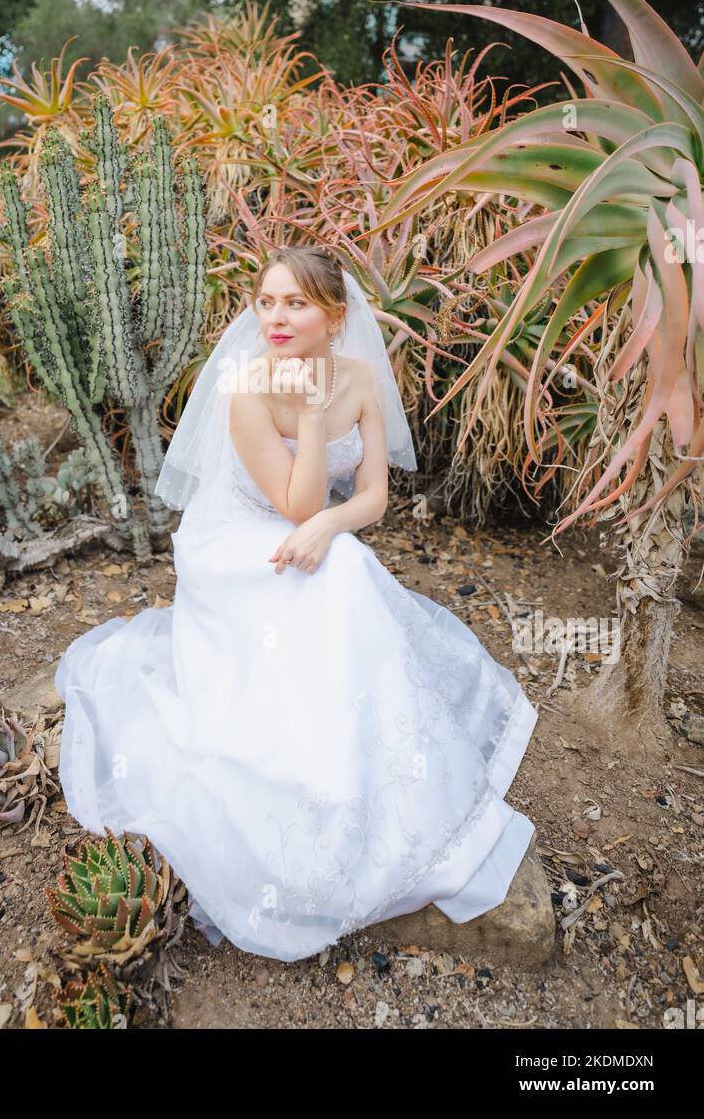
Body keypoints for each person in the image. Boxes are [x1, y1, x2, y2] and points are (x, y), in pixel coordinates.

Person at [54, 246, 538, 962]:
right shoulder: (245, 389)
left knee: (346, 565)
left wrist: (328, 525)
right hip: (237, 542)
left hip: (308, 532)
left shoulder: (366, 378)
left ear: (334, 317)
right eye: (267, 301)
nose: (275, 317)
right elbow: (294, 500)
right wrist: (312, 422)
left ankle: (377, 763)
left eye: (296, 304)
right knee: (340, 574)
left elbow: (368, 497)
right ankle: (305, 761)